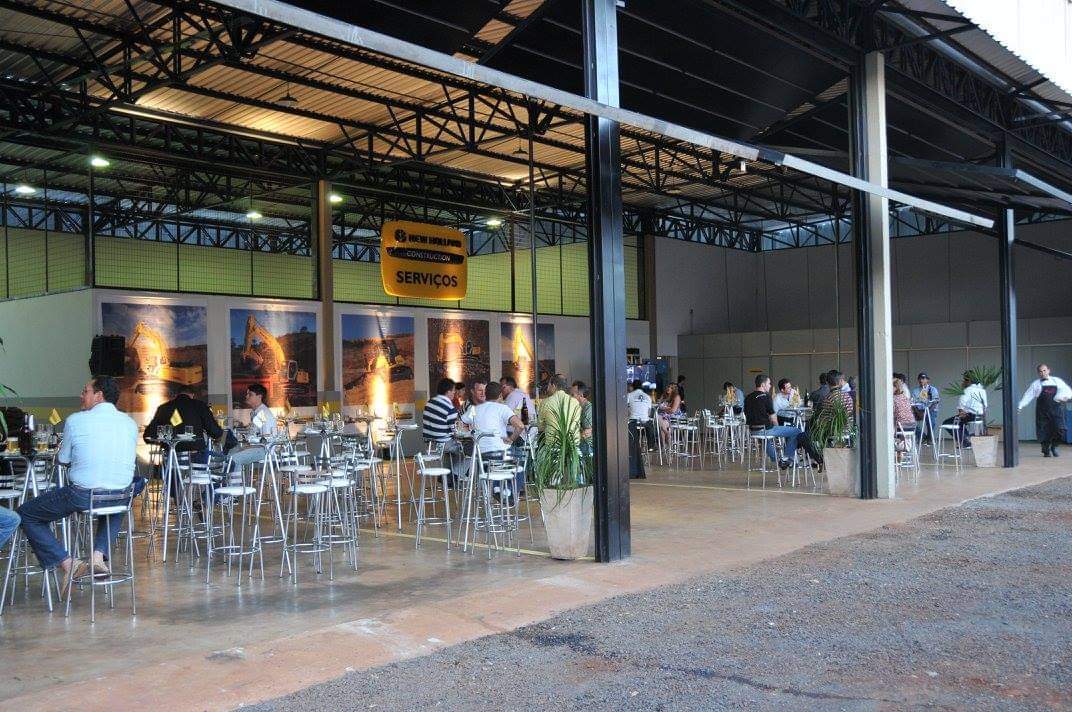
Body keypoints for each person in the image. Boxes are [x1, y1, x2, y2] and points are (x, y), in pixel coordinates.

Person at [17, 377, 141, 596]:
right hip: (122, 496)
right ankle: (97, 557)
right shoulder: (129, 423)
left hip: (83, 495)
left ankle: (68, 563)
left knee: (25, 514)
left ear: (99, 395)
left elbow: (63, 459)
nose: (81, 396)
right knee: (114, 500)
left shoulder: (76, 420)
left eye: (85, 391)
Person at [460, 381, 525, 496]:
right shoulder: (503, 408)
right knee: (519, 463)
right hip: (501, 455)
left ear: (485, 394)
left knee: (493, 465)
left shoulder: (474, 409)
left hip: (481, 456)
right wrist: (511, 439)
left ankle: (497, 488)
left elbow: (460, 423)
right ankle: (507, 492)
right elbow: (520, 426)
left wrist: (469, 432)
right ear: (500, 395)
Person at [743, 374, 814, 470]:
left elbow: (746, 413)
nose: (770, 386)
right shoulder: (766, 396)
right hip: (766, 430)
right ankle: (786, 458)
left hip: (753, 430)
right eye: (769, 383)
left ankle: (777, 460)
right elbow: (773, 417)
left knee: (764, 439)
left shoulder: (748, 397)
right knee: (796, 431)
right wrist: (777, 429)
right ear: (763, 385)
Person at [145, 385, 223, 462]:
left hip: (170, 458)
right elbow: (215, 432)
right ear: (192, 395)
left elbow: (149, 434)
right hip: (194, 456)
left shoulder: (164, 407)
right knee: (214, 455)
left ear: (177, 394)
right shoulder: (200, 406)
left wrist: (164, 437)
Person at [1018, 363, 1072, 457]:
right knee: (1043, 431)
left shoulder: (1056, 381)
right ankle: (1046, 450)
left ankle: (1054, 446)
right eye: (1040, 371)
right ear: (1038, 373)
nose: (1043, 373)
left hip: (1056, 410)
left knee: (1061, 429)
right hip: (1042, 411)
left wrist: (1065, 397)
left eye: (1044, 370)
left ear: (1048, 370)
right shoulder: (1036, 384)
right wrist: (1020, 406)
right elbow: (1028, 396)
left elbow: (1066, 391)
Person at [422, 377, 464, 475]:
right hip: (444, 443)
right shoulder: (449, 407)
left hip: (430, 444)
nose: (454, 393)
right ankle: (455, 474)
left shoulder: (429, 403)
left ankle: (446, 475)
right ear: (448, 391)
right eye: (453, 391)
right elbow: (457, 431)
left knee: (453, 450)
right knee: (468, 451)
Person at [229, 383, 277, 468]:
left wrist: (249, 447)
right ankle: (233, 476)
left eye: (250, 394)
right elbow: (255, 432)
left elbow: (266, 439)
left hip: (264, 450)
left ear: (259, 397)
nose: (246, 396)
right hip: (257, 447)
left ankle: (236, 477)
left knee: (234, 459)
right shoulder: (256, 412)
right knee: (229, 453)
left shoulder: (263, 413)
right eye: (247, 394)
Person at [942, 372, 987, 449]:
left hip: (970, 416)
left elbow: (961, 405)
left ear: (968, 381)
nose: (963, 382)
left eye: (964, 380)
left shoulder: (967, 390)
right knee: (960, 422)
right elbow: (985, 406)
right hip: (980, 416)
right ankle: (966, 438)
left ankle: (965, 442)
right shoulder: (982, 390)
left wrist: (963, 389)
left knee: (947, 422)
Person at [537, 374, 581, 445]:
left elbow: (540, 427)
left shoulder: (546, 402)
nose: (548, 388)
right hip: (573, 445)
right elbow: (577, 423)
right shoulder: (575, 402)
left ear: (554, 386)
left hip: (553, 445)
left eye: (549, 385)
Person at [626, 379, 656, 452]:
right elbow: (649, 413)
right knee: (647, 424)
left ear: (633, 386)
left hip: (633, 423)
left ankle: (634, 446)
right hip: (645, 423)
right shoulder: (648, 397)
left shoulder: (629, 395)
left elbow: (626, 411)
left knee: (631, 426)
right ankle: (650, 446)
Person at [892, 374, 917, 463]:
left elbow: (891, 414)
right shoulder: (905, 398)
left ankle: (896, 454)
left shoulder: (893, 399)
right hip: (911, 426)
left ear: (895, 388)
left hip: (901, 427)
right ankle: (900, 454)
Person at [911, 372, 940, 444]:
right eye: (920, 379)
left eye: (923, 379)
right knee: (909, 421)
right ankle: (923, 437)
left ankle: (929, 438)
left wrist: (927, 412)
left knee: (931, 422)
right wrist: (918, 412)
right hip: (919, 410)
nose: (921, 380)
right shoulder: (915, 391)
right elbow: (913, 404)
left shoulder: (933, 389)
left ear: (928, 380)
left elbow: (935, 402)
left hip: (931, 410)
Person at [570, 380, 594, 454]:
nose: (570, 397)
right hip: (581, 444)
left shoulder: (588, 409)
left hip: (588, 447)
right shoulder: (578, 408)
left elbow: (586, 433)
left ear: (581, 395)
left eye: (572, 395)